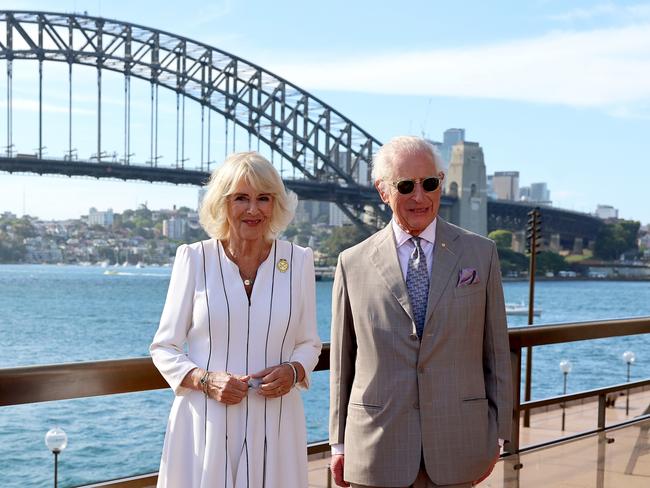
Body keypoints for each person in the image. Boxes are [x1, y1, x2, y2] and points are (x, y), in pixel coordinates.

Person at [329, 136, 512, 488]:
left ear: (441, 183)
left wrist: (499, 435)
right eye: (405, 185)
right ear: (383, 191)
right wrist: (339, 443)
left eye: (429, 183)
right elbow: (342, 362)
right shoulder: (351, 263)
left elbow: (496, 354)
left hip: (461, 446)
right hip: (377, 450)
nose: (420, 196)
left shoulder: (481, 255)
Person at [151, 151, 322, 488]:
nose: (253, 209)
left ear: (276, 205)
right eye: (241, 198)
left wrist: (293, 371)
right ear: (222, 203)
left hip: (276, 420)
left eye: (264, 198)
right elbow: (164, 347)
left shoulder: (299, 261)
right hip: (206, 424)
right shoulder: (194, 258)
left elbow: (309, 343)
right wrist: (204, 379)